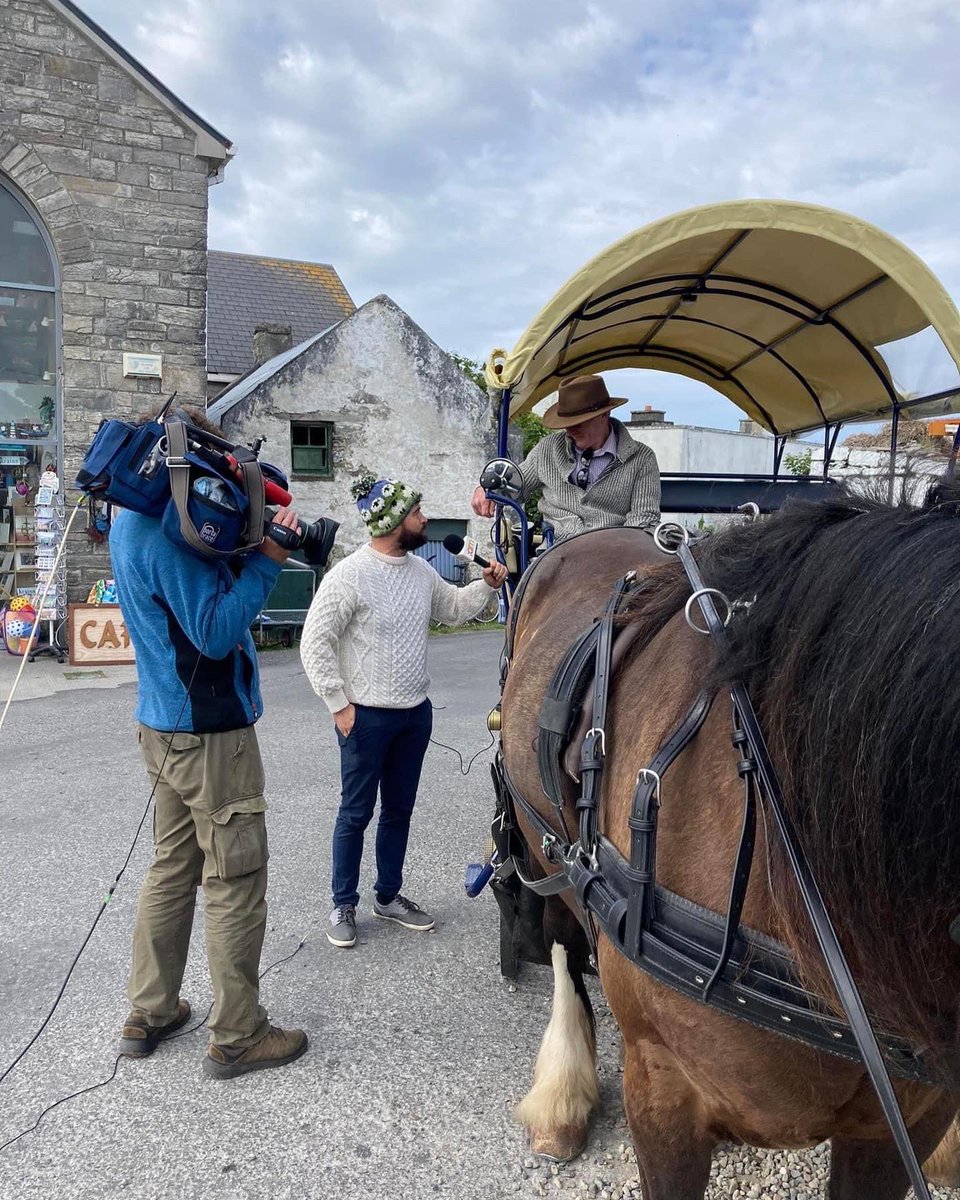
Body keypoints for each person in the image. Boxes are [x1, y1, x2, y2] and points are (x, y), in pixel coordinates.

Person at [110, 411, 308, 1080]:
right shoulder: (174, 529)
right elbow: (215, 632)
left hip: (161, 723)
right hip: (210, 733)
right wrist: (270, 560)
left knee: (172, 867)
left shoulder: (131, 515)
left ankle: (151, 1010)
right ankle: (239, 1035)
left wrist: (241, 551)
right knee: (235, 877)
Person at [300, 474, 508, 949]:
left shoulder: (419, 571)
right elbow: (315, 643)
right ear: (393, 522)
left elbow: (453, 609)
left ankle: (388, 896)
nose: (425, 519)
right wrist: (338, 705)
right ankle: (343, 903)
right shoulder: (349, 575)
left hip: (415, 715)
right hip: (365, 718)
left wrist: (486, 585)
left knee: (399, 810)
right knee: (355, 813)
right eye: (416, 513)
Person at [471, 374, 660, 543]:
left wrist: (613, 554)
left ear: (604, 414)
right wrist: (487, 489)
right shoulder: (547, 449)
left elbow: (642, 521)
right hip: (556, 552)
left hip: (613, 553)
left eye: (579, 422)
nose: (570, 429)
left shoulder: (641, 458)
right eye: (566, 422)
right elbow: (515, 484)